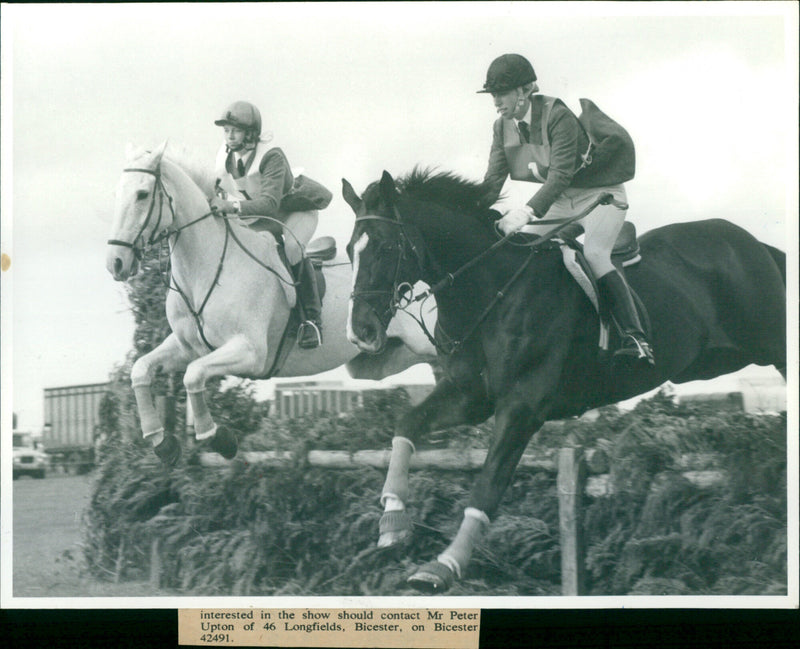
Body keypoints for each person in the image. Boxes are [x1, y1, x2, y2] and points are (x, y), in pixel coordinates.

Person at [479, 53, 654, 365]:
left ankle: (635, 337)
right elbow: (492, 182)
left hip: (600, 195)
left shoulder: (557, 115)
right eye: (493, 95)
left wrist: (526, 212)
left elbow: (559, 175)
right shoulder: (501, 127)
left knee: (595, 255)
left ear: (524, 91)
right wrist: (469, 210)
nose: (496, 102)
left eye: (501, 93)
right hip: (561, 201)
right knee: (524, 251)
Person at [209, 100, 325, 349]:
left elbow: (270, 204)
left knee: (292, 248)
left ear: (250, 133)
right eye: (226, 130)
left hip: (294, 209)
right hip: (260, 215)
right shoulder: (225, 155)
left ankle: (311, 320)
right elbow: (216, 185)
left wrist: (231, 206)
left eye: (235, 130)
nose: (229, 136)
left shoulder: (272, 156)